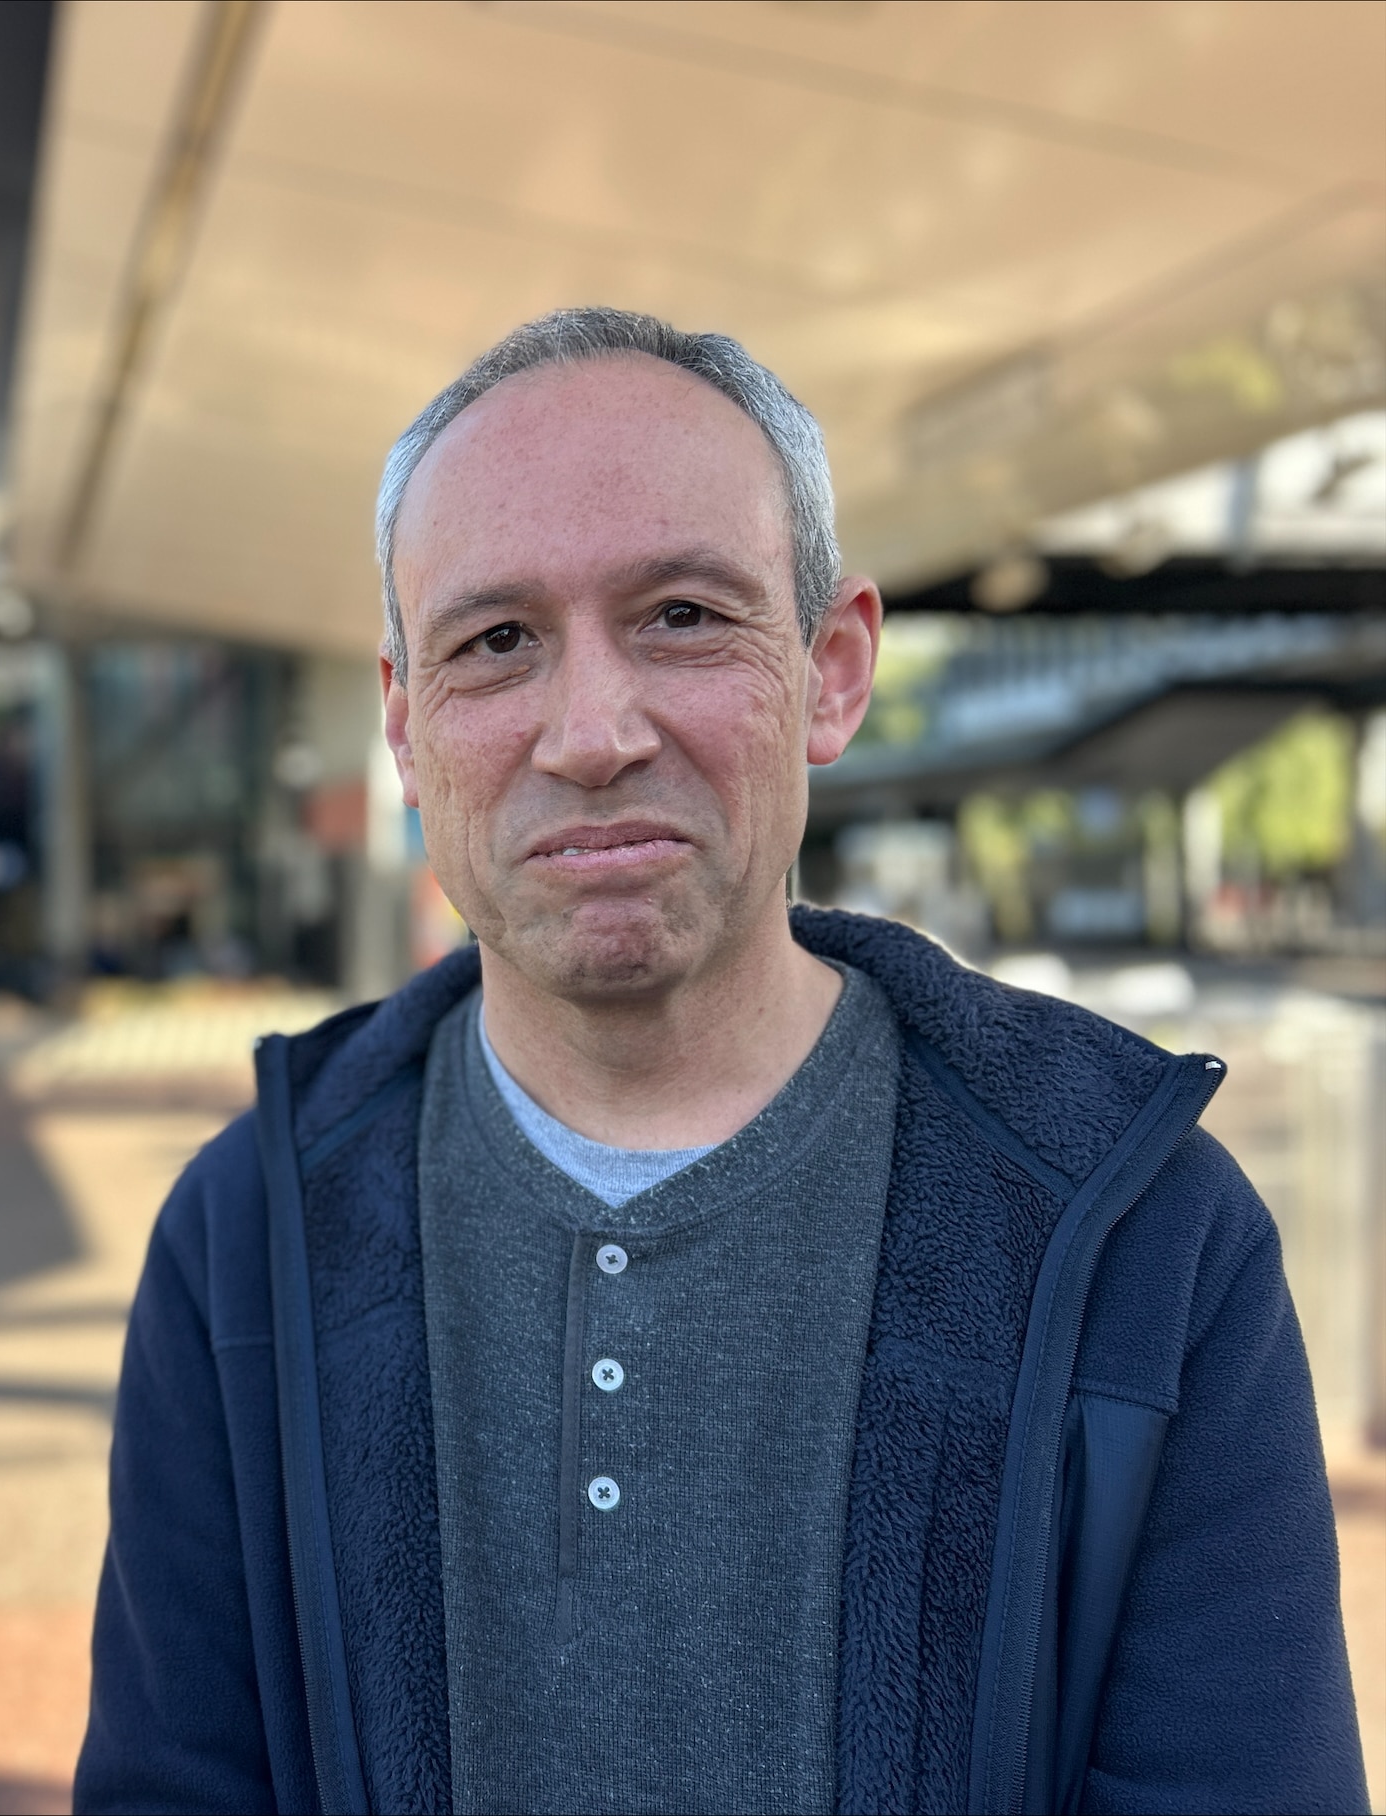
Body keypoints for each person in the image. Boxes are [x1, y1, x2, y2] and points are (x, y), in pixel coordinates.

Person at [73, 308, 1364, 1815]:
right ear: (407, 729)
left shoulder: (1146, 1236)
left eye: (684, 614)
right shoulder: (247, 1243)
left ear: (830, 669)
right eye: (496, 643)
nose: (594, 730)